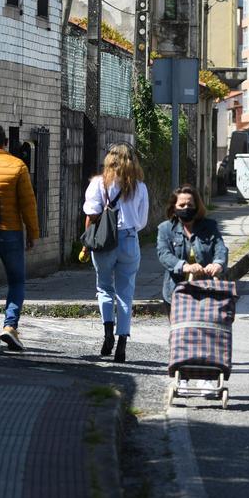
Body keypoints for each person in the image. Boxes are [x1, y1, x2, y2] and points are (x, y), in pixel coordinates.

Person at [81, 144, 149, 362]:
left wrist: (85, 245)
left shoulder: (98, 184)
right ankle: (121, 343)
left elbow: (91, 215)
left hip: (104, 241)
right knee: (126, 291)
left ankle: (108, 332)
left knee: (104, 287)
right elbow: (142, 221)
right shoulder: (139, 187)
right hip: (129, 238)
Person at [0, 125, 40, 352]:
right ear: (6, 143)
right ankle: (10, 326)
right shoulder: (17, 166)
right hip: (11, 232)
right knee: (17, 281)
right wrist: (33, 232)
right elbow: (28, 203)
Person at [157, 185, 229, 304]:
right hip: (176, 292)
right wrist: (184, 266)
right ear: (174, 208)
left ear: (196, 206)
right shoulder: (165, 229)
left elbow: (220, 248)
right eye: (182, 205)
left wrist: (218, 264)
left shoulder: (209, 226)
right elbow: (164, 254)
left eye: (190, 205)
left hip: (207, 291)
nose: (186, 208)